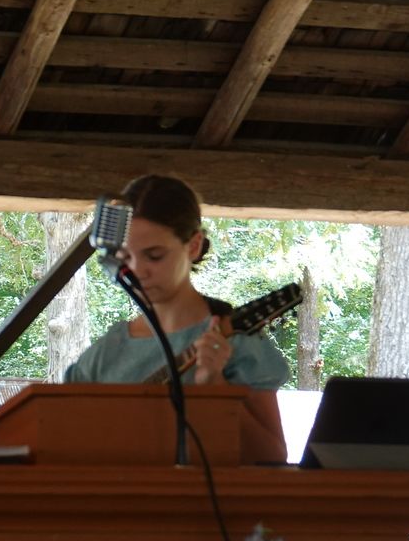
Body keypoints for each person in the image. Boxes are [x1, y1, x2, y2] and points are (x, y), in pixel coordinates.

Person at [62, 174, 289, 463]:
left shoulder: (236, 341)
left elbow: (271, 456)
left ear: (193, 246)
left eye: (154, 255)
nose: (138, 270)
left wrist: (216, 387)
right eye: (125, 257)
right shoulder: (106, 354)